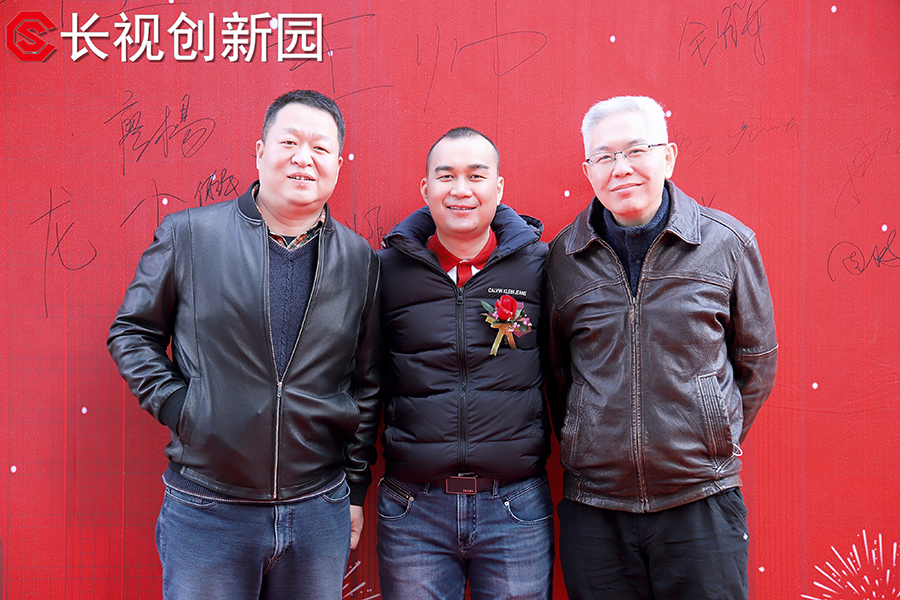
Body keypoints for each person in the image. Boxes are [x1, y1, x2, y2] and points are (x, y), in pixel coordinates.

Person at [107, 89, 381, 600]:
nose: (304, 158)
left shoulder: (359, 259)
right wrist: (183, 407)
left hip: (317, 507)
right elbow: (132, 332)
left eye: (321, 148)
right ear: (260, 152)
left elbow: (365, 382)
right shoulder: (190, 236)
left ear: (338, 164)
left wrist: (355, 486)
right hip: (209, 507)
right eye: (289, 142)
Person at [545, 96, 778, 600]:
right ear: (588, 170)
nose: (620, 168)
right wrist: (586, 436)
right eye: (604, 156)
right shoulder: (563, 256)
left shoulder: (727, 243)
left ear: (668, 156)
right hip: (595, 505)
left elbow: (756, 362)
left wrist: (713, 434)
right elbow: (558, 373)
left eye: (636, 150)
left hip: (701, 497)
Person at [375, 127, 553, 599]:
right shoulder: (385, 271)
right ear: (425, 189)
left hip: (515, 504)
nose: (461, 190)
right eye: (446, 176)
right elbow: (363, 382)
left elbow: (566, 376)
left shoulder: (539, 267)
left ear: (498, 187)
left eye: (476, 176)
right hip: (414, 507)